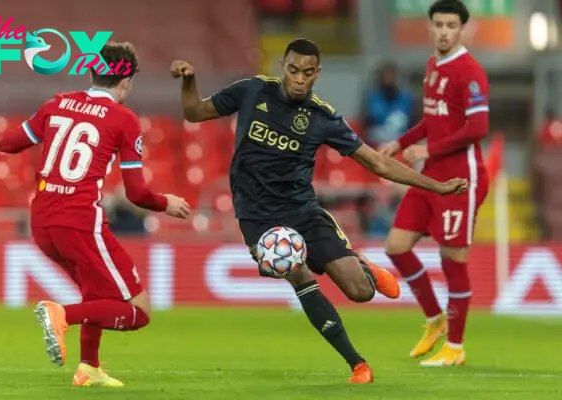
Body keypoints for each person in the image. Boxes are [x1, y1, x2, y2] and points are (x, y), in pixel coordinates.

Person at [170, 38, 468, 383]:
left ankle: (360, 265)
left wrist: (437, 185)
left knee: (360, 293)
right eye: (293, 70)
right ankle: (358, 365)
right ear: (283, 66)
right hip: (257, 218)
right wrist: (189, 81)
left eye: (307, 73)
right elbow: (194, 112)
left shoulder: (321, 118)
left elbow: (377, 163)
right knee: (297, 275)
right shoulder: (252, 91)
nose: (299, 78)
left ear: (317, 74)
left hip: (303, 212)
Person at [0, 42, 190, 387]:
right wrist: (167, 203)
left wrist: (48, 125)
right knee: (139, 310)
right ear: (126, 80)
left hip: (41, 222)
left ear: (94, 72)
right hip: (80, 221)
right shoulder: (124, 119)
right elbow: (137, 193)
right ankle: (62, 315)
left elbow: (7, 144)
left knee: (97, 296)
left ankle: (89, 368)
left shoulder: (56, 104)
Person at [379, 0, 490, 366]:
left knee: (452, 261)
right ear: (431, 27)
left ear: (463, 30)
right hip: (431, 177)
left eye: (451, 25)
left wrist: (428, 148)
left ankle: (455, 348)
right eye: (438, 24)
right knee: (396, 245)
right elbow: (432, 119)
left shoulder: (469, 71)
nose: (444, 31)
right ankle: (434, 319)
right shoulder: (432, 66)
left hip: (461, 179)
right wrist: (402, 142)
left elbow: (477, 128)